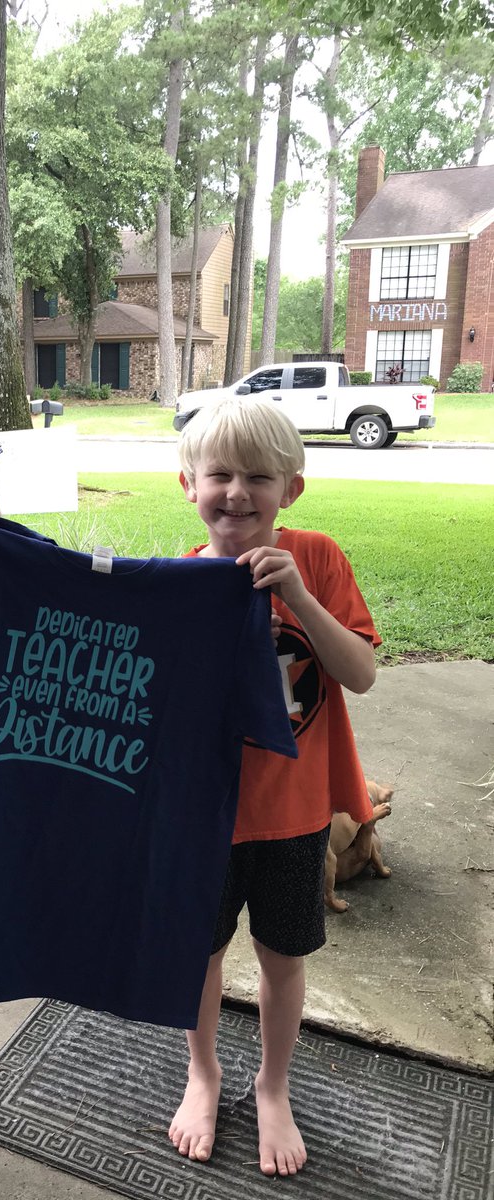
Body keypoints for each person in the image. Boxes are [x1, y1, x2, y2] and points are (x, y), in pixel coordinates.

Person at [168, 396, 379, 1177]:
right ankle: (203, 1072)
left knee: (284, 958)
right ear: (187, 484)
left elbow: (359, 674)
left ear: (290, 489)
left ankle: (273, 1085)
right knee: (198, 956)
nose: (236, 492)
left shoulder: (316, 558)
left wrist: (297, 596)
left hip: (293, 817)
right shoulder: (178, 584)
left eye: (259, 476)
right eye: (219, 474)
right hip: (205, 820)